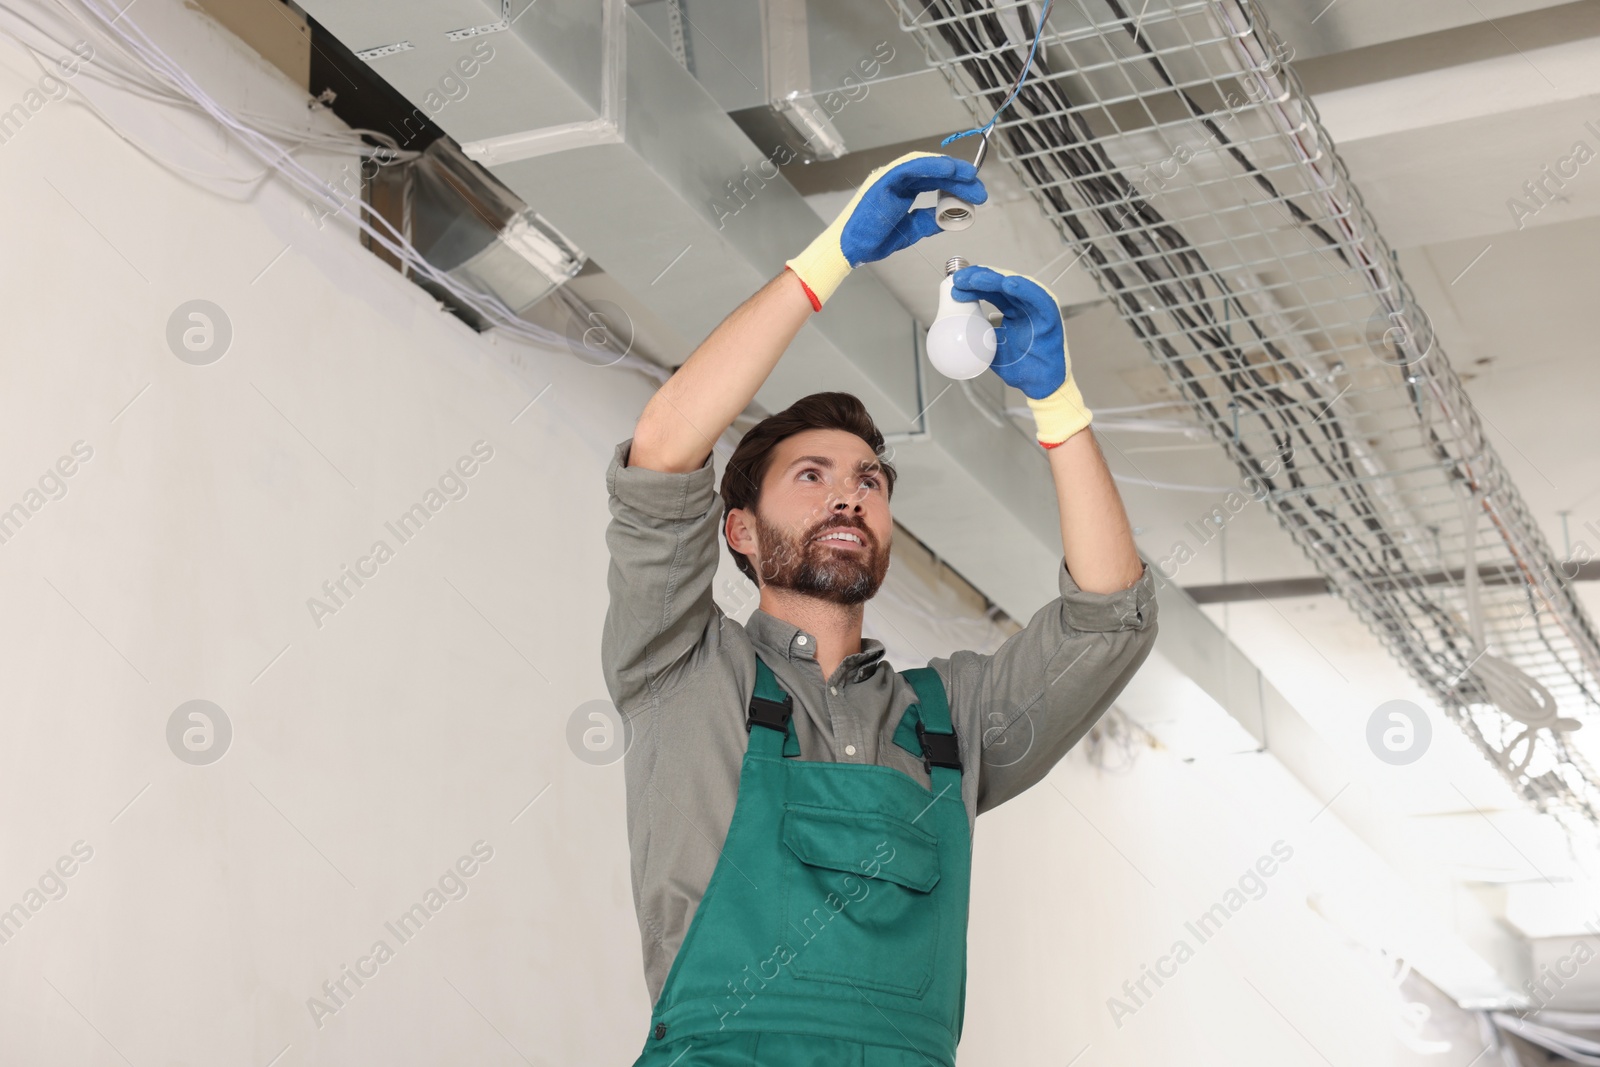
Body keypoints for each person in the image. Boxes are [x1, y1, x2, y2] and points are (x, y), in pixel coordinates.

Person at [602, 151, 1158, 1066]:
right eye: (811, 477)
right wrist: (832, 258)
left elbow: (1108, 617)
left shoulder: (953, 720)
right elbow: (661, 453)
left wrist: (1057, 401)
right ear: (738, 531)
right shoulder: (680, 667)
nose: (849, 496)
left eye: (869, 480)